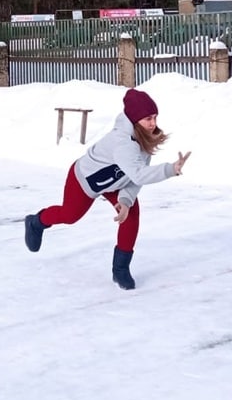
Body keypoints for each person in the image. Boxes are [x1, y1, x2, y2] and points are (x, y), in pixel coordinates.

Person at [24, 88, 191, 290]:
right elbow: (139, 174)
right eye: (148, 118)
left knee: (130, 215)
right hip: (84, 179)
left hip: (115, 182)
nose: (153, 123)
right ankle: (36, 222)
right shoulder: (124, 143)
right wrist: (170, 169)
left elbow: (135, 177)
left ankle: (120, 269)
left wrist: (126, 200)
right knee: (70, 215)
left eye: (155, 117)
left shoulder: (143, 139)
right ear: (135, 119)